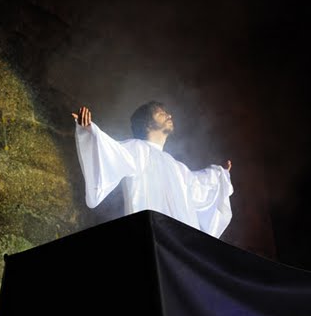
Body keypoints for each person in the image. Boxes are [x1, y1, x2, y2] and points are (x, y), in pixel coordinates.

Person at [72, 102, 234, 238]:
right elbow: (111, 152)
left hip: (183, 242)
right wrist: (90, 130)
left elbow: (199, 186)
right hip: (152, 235)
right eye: (161, 113)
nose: (169, 115)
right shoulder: (137, 148)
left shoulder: (177, 167)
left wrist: (219, 174)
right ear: (148, 124)